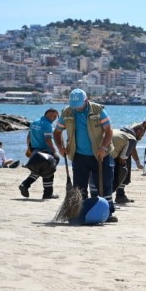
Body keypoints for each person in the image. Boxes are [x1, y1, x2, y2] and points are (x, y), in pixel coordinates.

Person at [53, 88, 117, 220]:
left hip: (100, 154)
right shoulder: (66, 112)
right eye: (74, 105)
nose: (76, 108)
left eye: (79, 105)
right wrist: (60, 148)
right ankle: (79, 212)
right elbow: (57, 132)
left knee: (104, 184)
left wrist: (104, 147)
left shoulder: (98, 110)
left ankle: (107, 212)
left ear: (86, 100)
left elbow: (109, 131)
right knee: (79, 186)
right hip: (79, 155)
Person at [19, 108, 59, 199]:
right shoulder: (47, 125)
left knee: (38, 170)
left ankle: (25, 185)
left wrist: (29, 148)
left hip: (35, 150)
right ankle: (47, 194)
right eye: (54, 116)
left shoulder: (34, 122)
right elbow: (48, 140)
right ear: (48, 114)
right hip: (45, 152)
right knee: (48, 172)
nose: (55, 119)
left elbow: (29, 136)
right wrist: (54, 152)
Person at [111, 123, 146, 204]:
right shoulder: (131, 138)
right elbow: (122, 159)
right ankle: (115, 198)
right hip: (110, 157)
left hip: (98, 153)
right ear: (138, 131)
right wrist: (123, 168)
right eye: (142, 135)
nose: (141, 138)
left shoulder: (117, 131)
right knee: (121, 173)